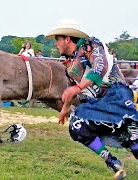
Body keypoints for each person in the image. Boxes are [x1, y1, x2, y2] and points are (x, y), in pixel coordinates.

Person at [46, 22, 137, 179]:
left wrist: (78, 88)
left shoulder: (90, 45)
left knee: (132, 136)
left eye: (57, 39)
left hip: (117, 93)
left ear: (67, 39)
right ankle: (112, 162)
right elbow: (71, 91)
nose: (55, 43)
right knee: (76, 126)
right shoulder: (69, 64)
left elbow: (99, 68)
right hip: (99, 105)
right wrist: (65, 108)